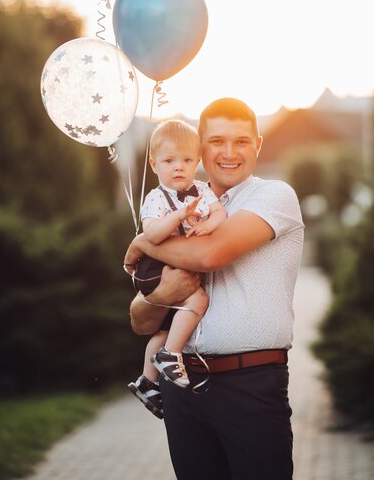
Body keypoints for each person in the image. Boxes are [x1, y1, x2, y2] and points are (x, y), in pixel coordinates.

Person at [125, 98, 304, 480]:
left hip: (250, 383)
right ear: (199, 149)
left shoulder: (274, 196)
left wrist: (142, 243)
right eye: (217, 141)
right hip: (182, 387)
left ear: (257, 145)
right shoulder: (170, 204)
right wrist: (159, 294)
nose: (228, 152)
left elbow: (211, 254)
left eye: (241, 142)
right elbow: (141, 322)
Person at [127, 119, 227, 420]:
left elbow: (219, 211)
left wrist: (208, 224)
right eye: (170, 161)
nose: (179, 167)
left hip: (177, 261)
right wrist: (179, 216)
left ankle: (147, 381)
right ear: (154, 164)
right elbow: (152, 236)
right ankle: (170, 355)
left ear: (197, 161)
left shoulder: (201, 190)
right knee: (199, 301)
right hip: (156, 267)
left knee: (166, 328)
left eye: (186, 160)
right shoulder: (156, 198)